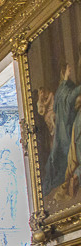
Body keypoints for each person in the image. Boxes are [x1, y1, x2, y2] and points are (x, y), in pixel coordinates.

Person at [44, 63, 81, 194]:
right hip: (65, 125)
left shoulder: (63, 87)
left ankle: (72, 176)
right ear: (65, 72)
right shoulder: (64, 88)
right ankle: (71, 177)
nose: (71, 69)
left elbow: (56, 107)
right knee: (68, 151)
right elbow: (70, 99)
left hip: (62, 125)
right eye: (69, 68)